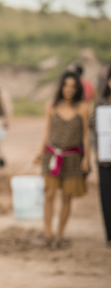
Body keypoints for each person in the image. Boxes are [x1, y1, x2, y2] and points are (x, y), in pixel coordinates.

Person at [34, 71, 90, 249]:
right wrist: (39, 152)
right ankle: (47, 234)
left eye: (73, 86)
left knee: (67, 197)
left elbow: (86, 135)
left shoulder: (82, 108)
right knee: (49, 194)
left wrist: (87, 158)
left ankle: (60, 235)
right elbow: (46, 130)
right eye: (66, 85)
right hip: (52, 156)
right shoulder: (52, 105)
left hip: (73, 157)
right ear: (61, 87)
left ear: (77, 88)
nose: (69, 89)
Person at [91, 65, 111, 247]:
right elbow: (93, 130)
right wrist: (96, 150)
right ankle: (109, 236)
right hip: (104, 159)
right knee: (106, 196)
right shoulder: (101, 103)